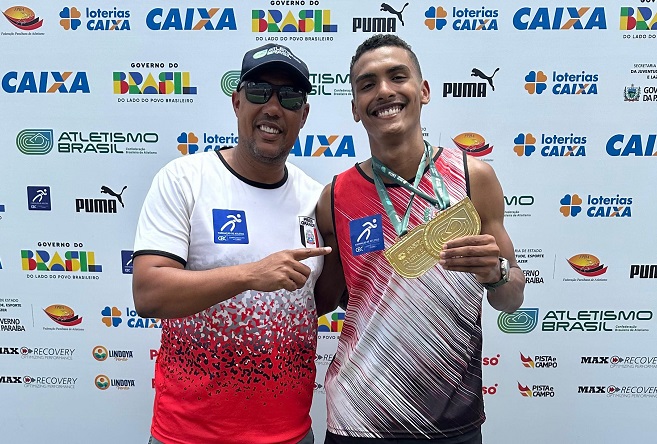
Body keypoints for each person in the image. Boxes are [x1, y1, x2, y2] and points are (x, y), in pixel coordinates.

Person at [314, 34, 525, 443]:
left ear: (423, 91)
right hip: (358, 417)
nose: (384, 91)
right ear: (355, 107)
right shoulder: (334, 197)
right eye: (367, 84)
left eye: (397, 77)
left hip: (451, 420)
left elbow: (511, 298)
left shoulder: (474, 178)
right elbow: (337, 298)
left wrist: (497, 274)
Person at [132, 43, 331, 444]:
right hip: (188, 436)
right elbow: (149, 293)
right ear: (237, 102)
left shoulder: (317, 198)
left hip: (290, 434)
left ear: (304, 115)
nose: (273, 107)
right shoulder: (185, 179)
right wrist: (250, 275)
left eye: (290, 97)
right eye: (259, 91)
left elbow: (314, 301)